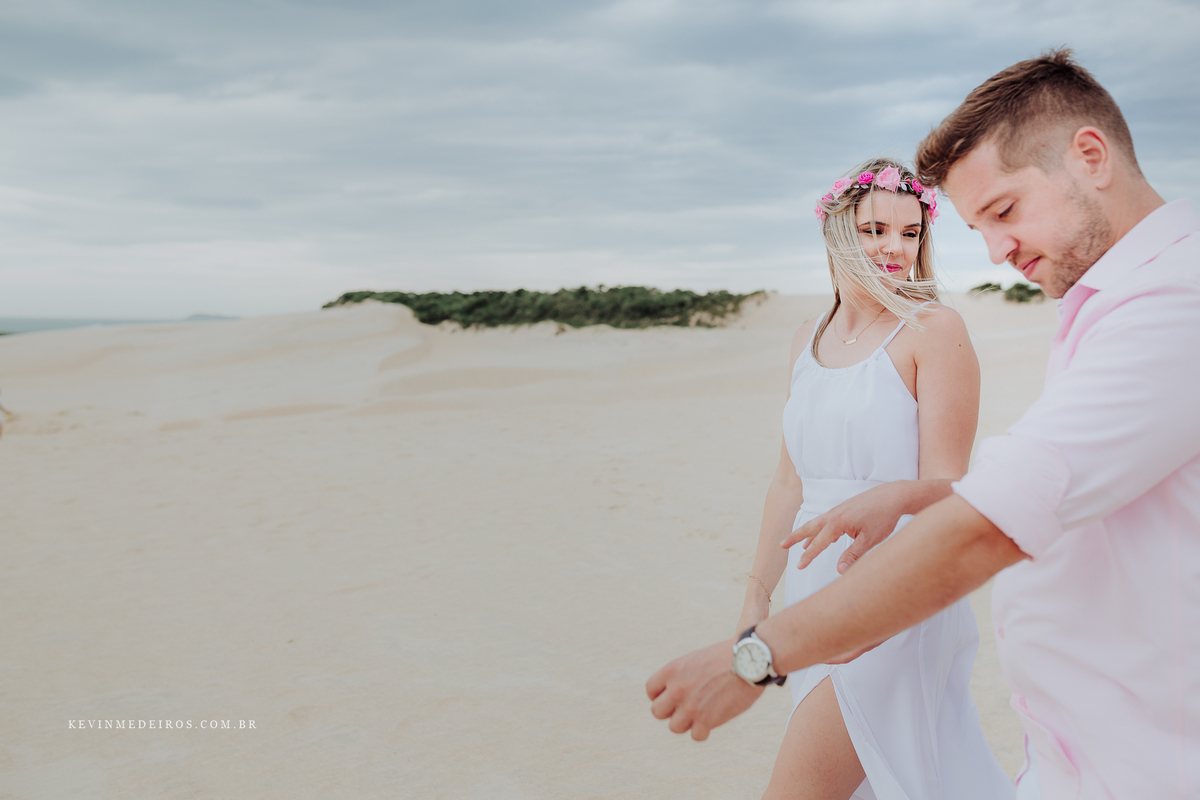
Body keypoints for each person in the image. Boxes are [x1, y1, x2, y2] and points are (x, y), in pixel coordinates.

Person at [646, 49, 1200, 800]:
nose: (998, 252)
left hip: (1131, 750)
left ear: (1090, 156)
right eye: (978, 228)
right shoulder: (1101, 309)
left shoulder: (1170, 306)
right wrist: (771, 592)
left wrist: (756, 654)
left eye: (1003, 211)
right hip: (1078, 754)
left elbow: (985, 517)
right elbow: (801, 480)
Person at [733, 157, 1011, 800]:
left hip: (895, 588)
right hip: (811, 591)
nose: (894, 248)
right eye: (874, 229)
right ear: (837, 231)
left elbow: (951, 485)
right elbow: (788, 483)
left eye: (910, 233)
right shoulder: (809, 338)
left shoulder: (933, 331)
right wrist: (756, 596)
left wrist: (892, 497)